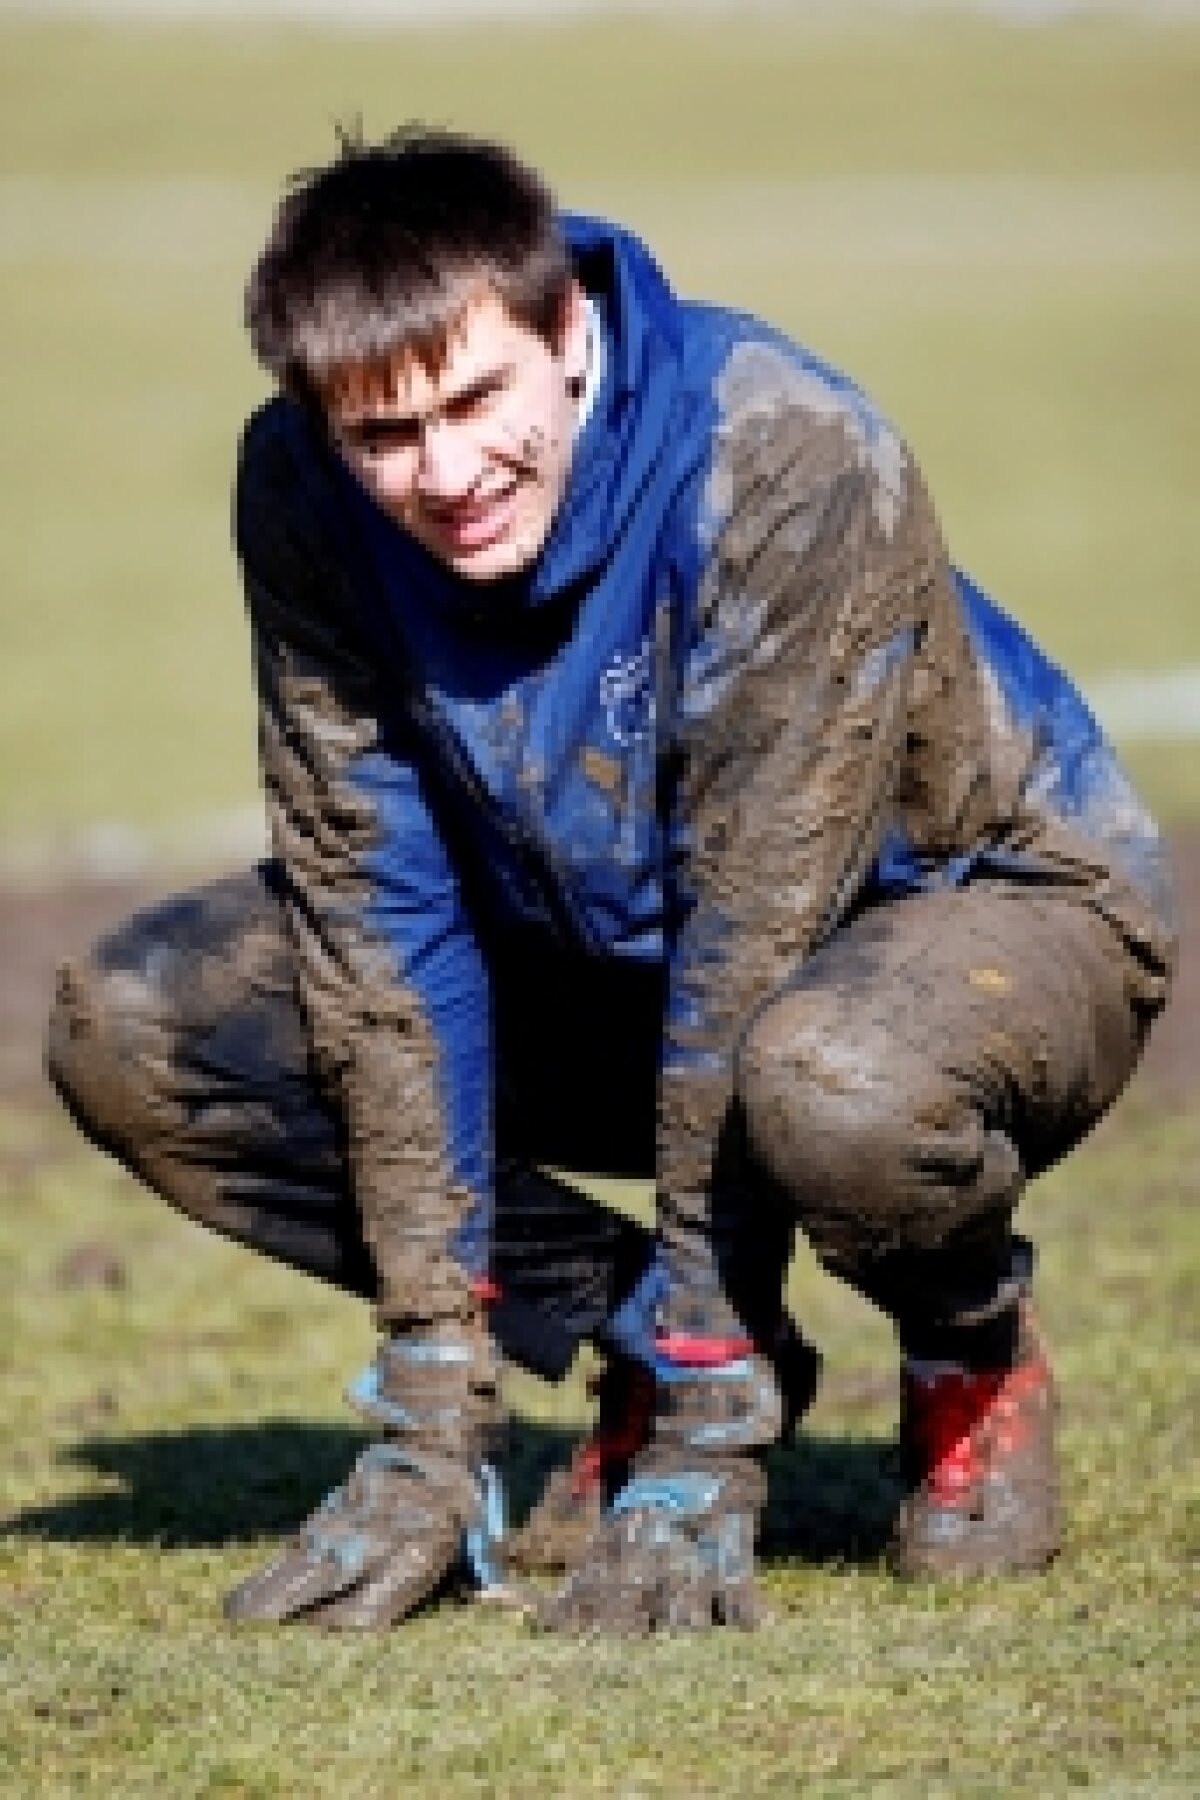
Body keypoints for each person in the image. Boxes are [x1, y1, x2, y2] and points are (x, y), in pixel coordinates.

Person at [48, 126, 1174, 1634]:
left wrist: (715, 1432)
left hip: (967, 920)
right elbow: (376, 923)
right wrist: (432, 1406)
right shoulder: (302, 493)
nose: (445, 475)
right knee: (138, 1026)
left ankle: (966, 1335)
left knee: (826, 1083)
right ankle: (642, 1335)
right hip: (603, 935)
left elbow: (755, 939)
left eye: (474, 400)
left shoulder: (781, 454)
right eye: (384, 436)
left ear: (564, 327)